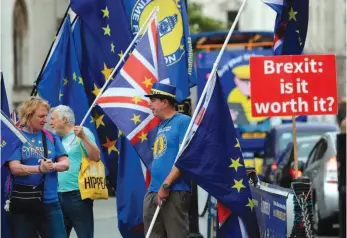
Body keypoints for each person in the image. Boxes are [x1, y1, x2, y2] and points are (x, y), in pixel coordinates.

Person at [6, 96, 69, 238]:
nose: (45, 120)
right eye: (41, 116)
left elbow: (65, 163)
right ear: (28, 115)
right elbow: (15, 168)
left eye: (46, 116)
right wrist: (39, 169)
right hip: (24, 203)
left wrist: (52, 165)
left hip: (50, 202)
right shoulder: (16, 137)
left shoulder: (51, 137)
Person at [143, 82, 191, 237]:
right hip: (153, 190)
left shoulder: (183, 121)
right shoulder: (161, 125)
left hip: (174, 190)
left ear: (165, 102)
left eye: (153, 100)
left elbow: (185, 157)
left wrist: (166, 184)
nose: (149, 104)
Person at [49, 105, 100, 238]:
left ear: (64, 119)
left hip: (78, 194)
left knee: (84, 234)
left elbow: (96, 157)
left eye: (53, 119)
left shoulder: (83, 132)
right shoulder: (61, 140)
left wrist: (84, 137)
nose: (50, 122)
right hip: (59, 194)